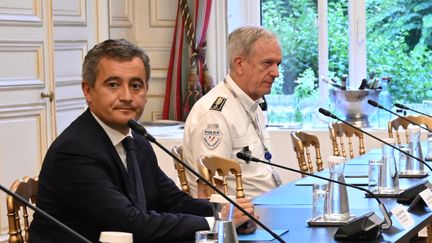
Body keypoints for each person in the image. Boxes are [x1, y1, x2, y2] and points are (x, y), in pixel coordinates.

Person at [29, 39, 256, 242]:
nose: (127, 96)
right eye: (113, 85)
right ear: (88, 91)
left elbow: (173, 200)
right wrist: (218, 224)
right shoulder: (74, 152)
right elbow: (130, 224)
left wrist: (224, 211)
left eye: (136, 85)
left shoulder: (136, 138)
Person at [183, 26, 283, 198]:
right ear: (239, 64)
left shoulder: (252, 103)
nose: (276, 73)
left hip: (267, 206)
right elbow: (210, 191)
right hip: (244, 219)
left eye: (277, 64)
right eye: (267, 63)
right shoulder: (215, 114)